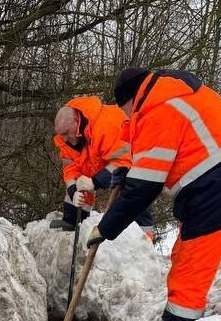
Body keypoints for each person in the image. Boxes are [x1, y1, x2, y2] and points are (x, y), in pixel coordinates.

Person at [87, 68, 221, 321]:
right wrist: (128, 171)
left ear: (131, 99)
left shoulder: (158, 110)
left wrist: (106, 227)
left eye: (127, 112)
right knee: (182, 257)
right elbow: (155, 154)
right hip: (216, 184)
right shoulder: (169, 97)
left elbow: (143, 188)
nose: (129, 119)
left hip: (218, 189)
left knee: (190, 273)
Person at [50, 96, 154, 236]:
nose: (64, 139)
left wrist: (95, 182)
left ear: (76, 121)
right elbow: (70, 169)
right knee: (80, 181)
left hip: (137, 159)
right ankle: (73, 221)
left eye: (66, 133)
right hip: (111, 159)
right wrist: (74, 191)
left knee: (133, 189)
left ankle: (142, 239)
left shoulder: (105, 126)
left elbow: (124, 163)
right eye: (61, 134)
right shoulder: (67, 138)